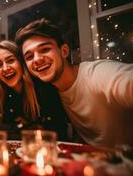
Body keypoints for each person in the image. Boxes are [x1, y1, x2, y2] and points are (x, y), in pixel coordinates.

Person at [15, 18, 133, 147]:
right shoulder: (52, 93)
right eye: (29, 57)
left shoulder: (97, 74)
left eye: (44, 49)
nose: (37, 59)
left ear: (64, 51)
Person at [0, 40, 68, 140]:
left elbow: (59, 132)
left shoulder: (44, 88)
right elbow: (2, 135)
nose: (5, 68)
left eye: (10, 60)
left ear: (21, 62)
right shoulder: (0, 94)